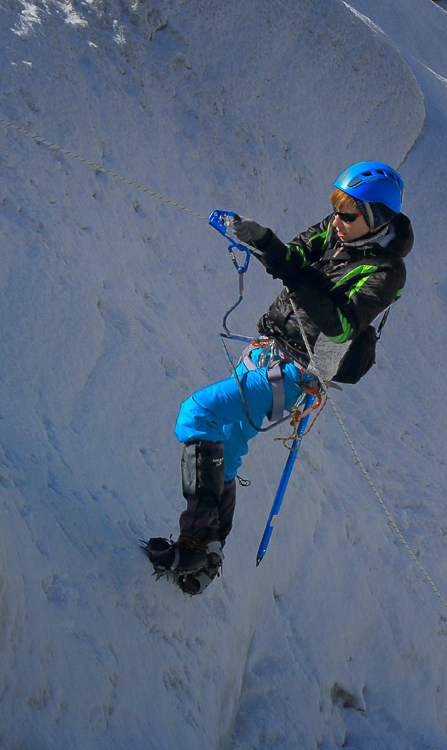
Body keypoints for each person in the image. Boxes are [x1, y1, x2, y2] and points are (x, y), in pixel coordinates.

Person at [143, 162, 414, 594]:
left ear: (377, 217)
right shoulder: (337, 230)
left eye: (349, 214)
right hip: (267, 350)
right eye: (337, 209)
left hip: (296, 373)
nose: (338, 222)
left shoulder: (387, 271)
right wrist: (262, 239)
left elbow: (341, 325)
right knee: (226, 449)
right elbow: (294, 256)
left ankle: (195, 543)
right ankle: (205, 558)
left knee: (198, 413)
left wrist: (286, 266)